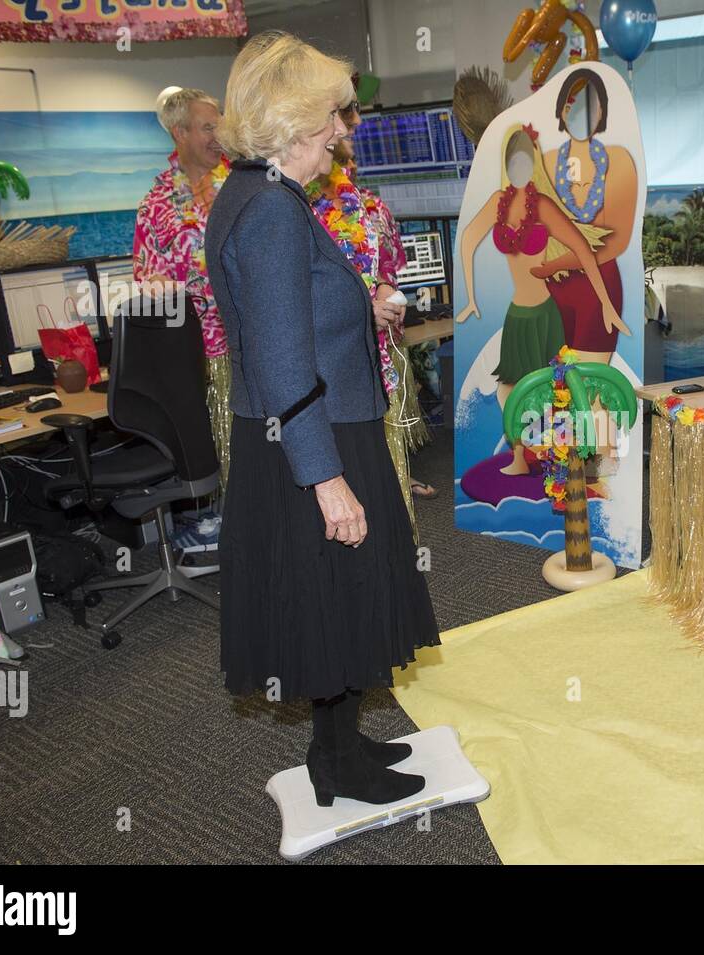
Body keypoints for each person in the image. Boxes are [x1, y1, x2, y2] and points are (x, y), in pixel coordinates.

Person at [205, 32, 438, 807]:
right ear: (294, 118)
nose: (345, 128)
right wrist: (328, 481)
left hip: (315, 431)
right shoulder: (270, 208)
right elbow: (277, 360)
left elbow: (289, 317)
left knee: (335, 601)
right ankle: (335, 766)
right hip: (314, 440)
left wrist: (358, 307)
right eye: (334, 114)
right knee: (332, 600)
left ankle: (339, 746)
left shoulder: (254, 194)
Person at [456, 123, 627, 476]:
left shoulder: (544, 205)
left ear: (533, 163)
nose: (518, 169)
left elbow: (582, 249)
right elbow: (469, 238)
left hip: (547, 314)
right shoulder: (497, 204)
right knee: (508, 391)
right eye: (512, 162)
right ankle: (521, 458)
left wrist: (607, 304)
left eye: (525, 161)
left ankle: (569, 460)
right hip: (517, 315)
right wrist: (471, 297)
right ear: (506, 165)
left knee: (558, 391)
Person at [305, 97, 436, 530]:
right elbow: (305, 291)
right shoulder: (300, 213)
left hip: (378, 359)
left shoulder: (373, 208)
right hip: (327, 367)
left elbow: (391, 269)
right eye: (342, 132)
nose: (350, 136)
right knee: (343, 465)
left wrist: (385, 293)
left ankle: (393, 536)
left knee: (384, 465)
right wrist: (365, 308)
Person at [133, 88, 234, 503]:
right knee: (224, 455)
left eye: (220, 126)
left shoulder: (242, 185)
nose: (219, 135)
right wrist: (163, 289)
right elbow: (146, 282)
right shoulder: (156, 206)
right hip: (200, 359)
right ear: (180, 133)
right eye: (208, 127)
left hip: (257, 342)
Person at [534, 69, 639, 366]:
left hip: (598, 287)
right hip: (552, 289)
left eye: (588, 106)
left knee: (590, 390)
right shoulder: (546, 160)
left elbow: (617, 240)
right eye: (571, 104)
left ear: (602, 111)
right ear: (561, 111)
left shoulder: (618, 160)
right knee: (556, 391)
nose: (578, 114)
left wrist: (557, 264)